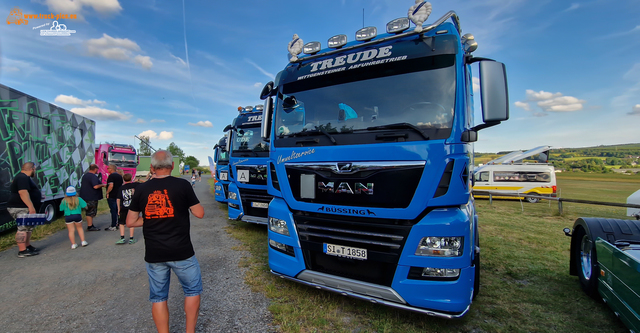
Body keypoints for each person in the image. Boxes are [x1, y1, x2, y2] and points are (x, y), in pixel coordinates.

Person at [127, 150, 204, 333]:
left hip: (155, 254)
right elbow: (199, 213)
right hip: (182, 252)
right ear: (173, 166)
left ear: (152, 167)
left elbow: (130, 221)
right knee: (192, 291)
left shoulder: (141, 189)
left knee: (159, 297)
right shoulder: (183, 185)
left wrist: (152, 216)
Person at [7, 162, 41, 258]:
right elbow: (23, 192)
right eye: (35, 169)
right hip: (19, 207)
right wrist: (31, 206)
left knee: (28, 227)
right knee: (22, 228)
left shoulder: (23, 177)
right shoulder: (22, 177)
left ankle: (27, 246)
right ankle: (22, 250)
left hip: (22, 206)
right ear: (32, 168)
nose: (35, 171)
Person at [79, 164, 106, 231]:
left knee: (88, 211)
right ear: (95, 169)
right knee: (91, 212)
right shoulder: (93, 176)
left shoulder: (85, 176)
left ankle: (90, 224)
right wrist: (103, 185)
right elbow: (95, 186)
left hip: (85, 196)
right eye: (97, 169)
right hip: (91, 197)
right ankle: (90, 226)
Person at [116, 173, 139, 245]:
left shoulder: (121, 188)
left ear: (124, 179)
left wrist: (118, 208)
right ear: (131, 178)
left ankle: (122, 237)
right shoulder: (135, 185)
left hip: (123, 206)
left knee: (121, 222)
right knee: (131, 222)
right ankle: (131, 238)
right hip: (132, 206)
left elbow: (118, 199)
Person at [105, 164, 123, 231]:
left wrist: (107, 192)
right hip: (118, 195)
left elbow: (111, 185)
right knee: (118, 209)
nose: (108, 170)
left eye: (108, 168)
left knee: (113, 210)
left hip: (112, 195)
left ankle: (113, 225)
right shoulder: (119, 176)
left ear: (111, 169)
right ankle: (118, 222)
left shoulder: (111, 176)